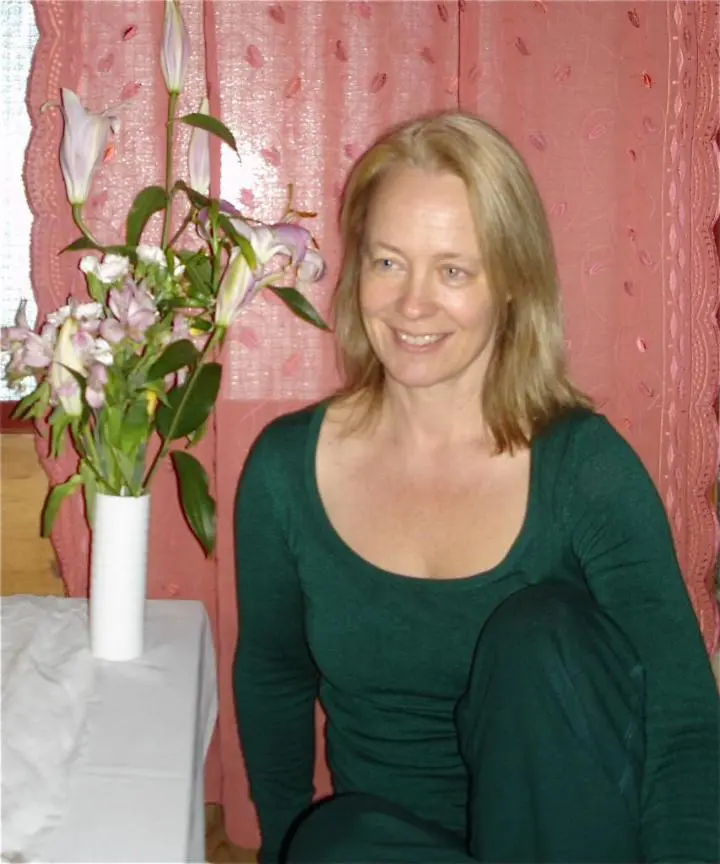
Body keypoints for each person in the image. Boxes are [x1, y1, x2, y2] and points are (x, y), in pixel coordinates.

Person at [233, 111, 719, 864]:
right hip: (391, 845)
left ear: (515, 285)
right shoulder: (283, 471)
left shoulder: (583, 468)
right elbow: (274, 677)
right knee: (330, 842)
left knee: (541, 630)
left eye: (453, 270)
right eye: (389, 262)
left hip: (573, 845)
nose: (412, 304)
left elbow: (683, 717)